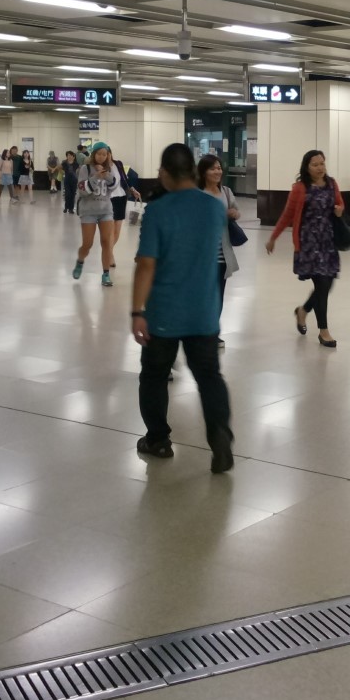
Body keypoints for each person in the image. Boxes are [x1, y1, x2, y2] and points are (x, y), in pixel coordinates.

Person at [132, 143, 233, 472]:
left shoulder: (158, 211)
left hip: (164, 312)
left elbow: (146, 265)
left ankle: (158, 440)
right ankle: (219, 439)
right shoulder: (213, 208)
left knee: (154, 376)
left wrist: (137, 311)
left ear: (165, 172)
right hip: (204, 310)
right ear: (193, 170)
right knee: (210, 377)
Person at [266, 149, 345, 348]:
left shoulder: (332, 184)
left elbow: (340, 204)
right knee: (322, 286)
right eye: (315, 164)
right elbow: (287, 215)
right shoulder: (300, 188)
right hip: (309, 242)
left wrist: (339, 209)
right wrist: (273, 237)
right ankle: (324, 331)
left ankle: (303, 310)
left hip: (328, 241)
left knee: (327, 284)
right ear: (307, 167)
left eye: (322, 164)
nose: (320, 168)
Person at [198, 154, 241, 348]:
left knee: (219, 294)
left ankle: (213, 332)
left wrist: (233, 214)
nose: (217, 171)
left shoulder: (226, 191)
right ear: (203, 172)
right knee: (204, 294)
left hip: (222, 252)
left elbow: (236, 210)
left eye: (219, 168)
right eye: (213, 168)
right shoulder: (196, 193)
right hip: (201, 255)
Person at [74, 141, 123, 286]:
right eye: (99, 154)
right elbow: (83, 190)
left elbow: (114, 186)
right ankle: (80, 261)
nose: (101, 157)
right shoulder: (85, 169)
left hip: (105, 211)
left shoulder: (111, 168)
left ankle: (106, 274)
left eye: (104, 154)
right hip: (88, 211)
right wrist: (96, 177)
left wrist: (106, 175)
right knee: (87, 244)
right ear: (94, 154)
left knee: (107, 242)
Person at [62, 150, 78, 215]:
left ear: (73, 157)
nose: (70, 156)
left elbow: (78, 171)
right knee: (67, 194)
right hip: (67, 180)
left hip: (74, 180)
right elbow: (60, 168)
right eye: (68, 155)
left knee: (73, 194)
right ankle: (66, 207)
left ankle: (71, 209)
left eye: (71, 155)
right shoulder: (64, 163)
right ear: (66, 156)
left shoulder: (76, 164)